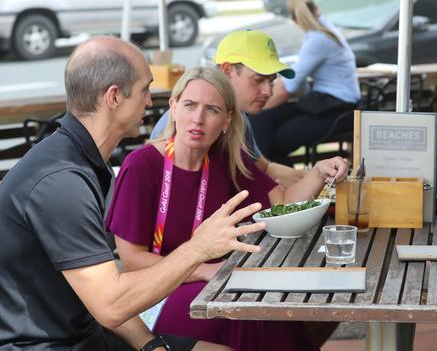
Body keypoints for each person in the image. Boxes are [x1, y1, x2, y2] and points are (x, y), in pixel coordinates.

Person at [0, 36, 265, 350]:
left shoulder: (79, 160)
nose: (151, 102)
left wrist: (150, 345)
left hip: (89, 334)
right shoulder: (61, 180)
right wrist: (198, 249)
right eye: (145, 89)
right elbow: (111, 305)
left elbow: (100, 292)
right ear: (114, 97)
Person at [106, 65, 348, 351]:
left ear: (226, 120)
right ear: (173, 108)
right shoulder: (142, 166)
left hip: (220, 284)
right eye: (190, 105)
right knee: (248, 308)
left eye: (211, 110)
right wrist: (204, 269)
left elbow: (282, 203)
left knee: (273, 308)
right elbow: (133, 260)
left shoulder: (226, 158)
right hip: (159, 294)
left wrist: (318, 172)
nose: (198, 119)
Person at [151, 30, 304, 188]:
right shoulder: (183, 122)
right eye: (258, 80)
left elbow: (265, 168)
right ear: (227, 71)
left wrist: (313, 176)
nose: (269, 91)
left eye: (271, 82)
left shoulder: (239, 118)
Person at [249, 0, 361, 166]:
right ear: (316, 8)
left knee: (275, 138)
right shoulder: (326, 31)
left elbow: (288, 87)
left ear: (294, 20)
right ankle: (277, 182)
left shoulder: (319, 39)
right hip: (327, 103)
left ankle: (281, 184)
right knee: (263, 120)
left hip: (337, 109)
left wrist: (256, 108)